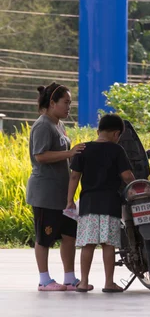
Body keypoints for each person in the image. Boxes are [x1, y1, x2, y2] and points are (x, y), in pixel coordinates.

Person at [26, 83, 87, 291]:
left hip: (62, 194)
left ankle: (69, 278)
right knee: (45, 237)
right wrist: (70, 154)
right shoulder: (43, 125)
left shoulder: (58, 125)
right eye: (66, 103)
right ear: (52, 103)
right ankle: (44, 280)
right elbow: (40, 156)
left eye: (70, 103)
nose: (69, 107)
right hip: (46, 193)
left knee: (69, 235)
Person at [66, 114, 135, 293]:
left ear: (98, 131)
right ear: (116, 134)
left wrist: (69, 200)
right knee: (108, 244)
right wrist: (137, 187)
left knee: (87, 244)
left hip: (88, 204)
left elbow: (74, 176)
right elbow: (126, 176)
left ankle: (83, 283)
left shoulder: (83, 149)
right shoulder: (117, 150)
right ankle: (109, 283)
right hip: (109, 204)